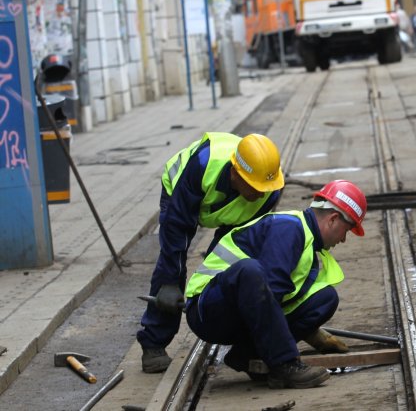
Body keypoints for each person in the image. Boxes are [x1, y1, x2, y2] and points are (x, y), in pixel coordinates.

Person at [183, 180, 367, 388]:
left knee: (325, 299)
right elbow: (270, 289)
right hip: (208, 309)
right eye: (347, 229)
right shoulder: (289, 228)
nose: (343, 239)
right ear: (333, 219)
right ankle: (285, 364)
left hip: (241, 312)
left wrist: (309, 330)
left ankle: (247, 356)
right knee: (250, 270)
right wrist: (289, 343)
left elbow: (278, 298)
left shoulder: (306, 240)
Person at [137, 132, 285, 373]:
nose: (260, 194)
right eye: (255, 188)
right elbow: (177, 228)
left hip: (230, 214)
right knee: (171, 265)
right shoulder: (203, 164)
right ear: (235, 173)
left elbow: (240, 244)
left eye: (264, 188)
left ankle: (214, 312)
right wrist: (171, 282)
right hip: (180, 193)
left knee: (232, 267)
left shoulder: (269, 188)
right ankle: (153, 343)